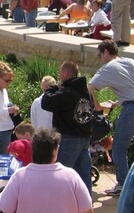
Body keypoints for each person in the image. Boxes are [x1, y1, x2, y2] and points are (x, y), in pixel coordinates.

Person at [88, 40, 134, 195]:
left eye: (99, 55)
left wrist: (97, 107)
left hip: (132, 110)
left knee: (118, 147)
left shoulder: (108, 67)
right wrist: (119, 102)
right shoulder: (131, 62)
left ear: (105, 52)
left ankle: (122, 184)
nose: (100, 59)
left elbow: (89, 88)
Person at [0, 128, 92, 213]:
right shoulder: (71, 176)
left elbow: (5, 208)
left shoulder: (19, 176)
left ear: (33, 150)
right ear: (55, 151)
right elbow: (87, 209)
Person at [41, 61, 94, 195]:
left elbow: (46, 102)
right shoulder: (85, 92)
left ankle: (58, 201)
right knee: (83, 174)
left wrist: (51, 88)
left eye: (60, 72)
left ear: (65, 73)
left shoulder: (67, 92)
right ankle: (86, 202)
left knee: (61, 173)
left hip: (70, 138)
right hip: (85, 138)